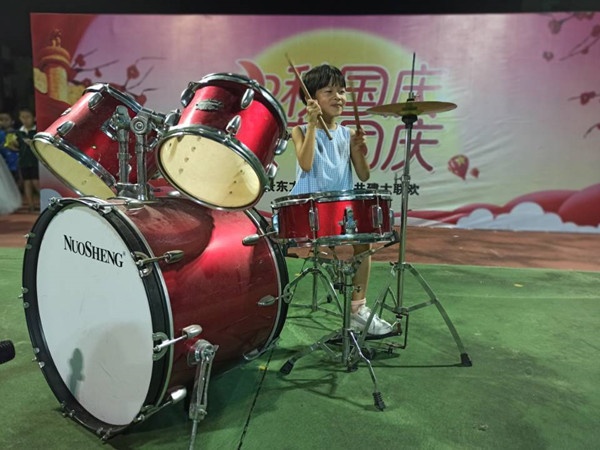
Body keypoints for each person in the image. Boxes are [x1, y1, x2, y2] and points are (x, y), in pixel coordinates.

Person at [289, 63, 394, 336]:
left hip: (339, 208)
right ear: (311, 99)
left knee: (364, 241)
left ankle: (358, 309)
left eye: (342, 91)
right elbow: (306, 163)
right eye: (329, 91)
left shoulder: (348, 134)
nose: (339, 97)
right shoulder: (300, 131)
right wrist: (312, 124)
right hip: (309, 208)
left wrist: (360, 149)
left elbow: (364, 174)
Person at [16, 107, 40, 212]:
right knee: (27, 182)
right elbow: (16, 147)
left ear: (34, 118)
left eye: (28, 117)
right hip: (24, 161)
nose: (25, 119)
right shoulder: (18, 132)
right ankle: (31, 205)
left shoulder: (37, 131)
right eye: (23, 117)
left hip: (35, 160)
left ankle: (44, 202)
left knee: (36, 182)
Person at [0, 111, 21, 189]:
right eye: (1, 120)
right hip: (4, 164)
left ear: (12, 121)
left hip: (16, 163)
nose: (3, 122)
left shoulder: (17, 133)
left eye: (6, 120)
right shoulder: (0, 134)